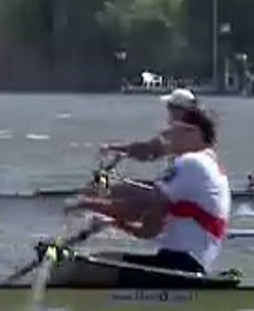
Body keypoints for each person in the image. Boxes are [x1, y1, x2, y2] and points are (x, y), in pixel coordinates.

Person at [66, 105, 231, 283]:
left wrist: (88, 204)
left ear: (193, 133)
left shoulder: (192, 162)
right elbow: (149, 230)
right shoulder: (211, 167)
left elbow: (142, 206)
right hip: (189, 266)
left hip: (179, 268)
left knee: (80, 269)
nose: (169, 137)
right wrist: (114, 222)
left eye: (173, 131)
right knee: (100, 261)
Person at [99, 88, 200, 163]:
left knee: (118, 189)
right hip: (184, 185)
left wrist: (112, 148)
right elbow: (150, 152)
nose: (168, 111)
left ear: (179, 111)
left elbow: (146, 149)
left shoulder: (178, 135)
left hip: (180, 189)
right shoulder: (198, 131)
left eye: (170, 107)